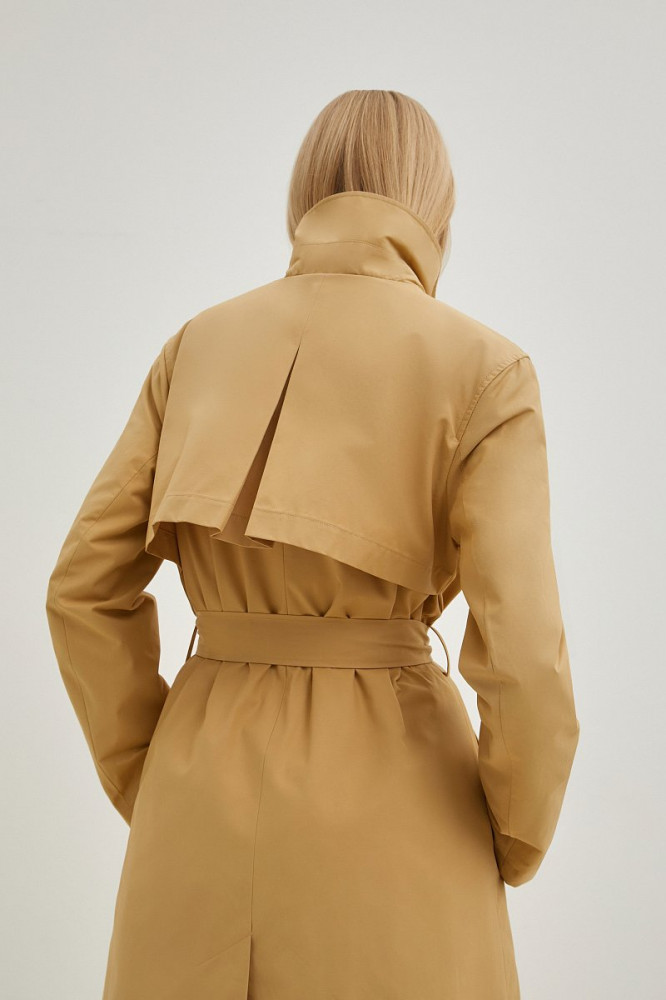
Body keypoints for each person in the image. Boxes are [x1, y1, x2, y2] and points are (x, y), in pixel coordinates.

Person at [45, 89, 580, 1000]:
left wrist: (153, 775)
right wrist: (515, 835)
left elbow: (82, 590)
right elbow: (523, 655)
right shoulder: (486, 370)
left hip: (197, 802)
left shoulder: (194, 347)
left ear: (301, 197)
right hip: (403, 813)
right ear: (439, 212)